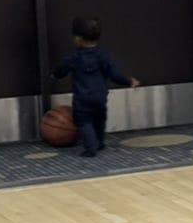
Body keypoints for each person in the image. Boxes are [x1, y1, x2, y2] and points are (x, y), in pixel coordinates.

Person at [52, 16, 138, 156]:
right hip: (100, 96)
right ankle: (99, 142)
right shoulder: (104, 55)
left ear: (78, 39)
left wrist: (55, 75)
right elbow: (114, 74)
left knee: (83, 121)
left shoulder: (73, 57)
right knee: (99, 119)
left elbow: (61, 70)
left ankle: (90, 147)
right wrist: (128, 81)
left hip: (82, 98)